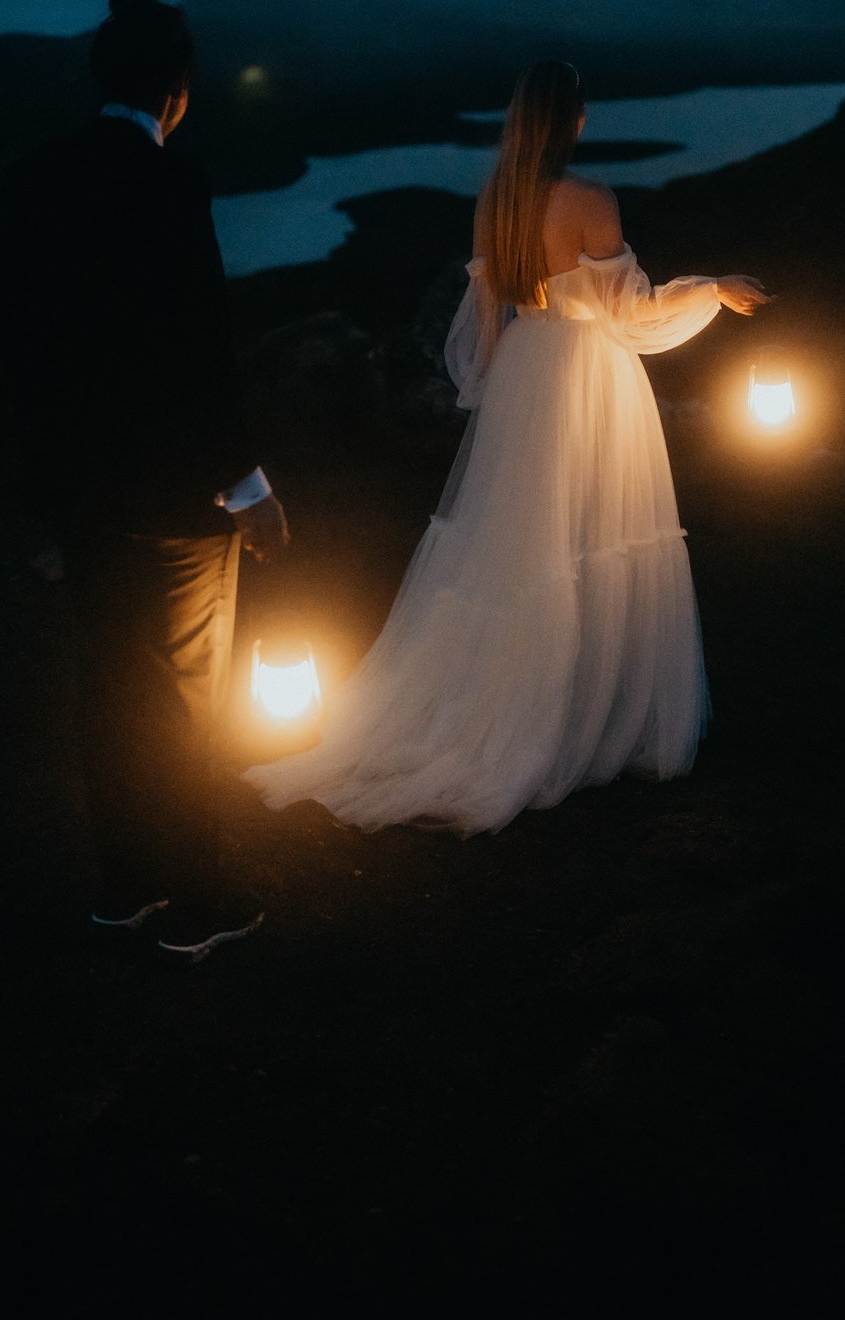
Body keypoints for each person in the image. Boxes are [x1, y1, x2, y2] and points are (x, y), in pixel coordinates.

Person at [246, 57, 771, 834]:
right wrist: (712, 288)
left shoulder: (495, 200)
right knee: (595, 536)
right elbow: (629, 316)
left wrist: (500, 406)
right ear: (574, 120)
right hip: (587, 377)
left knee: (519, 549)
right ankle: (579, 723)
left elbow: (487, 320)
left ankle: (524, 709)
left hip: (529, 373)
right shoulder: (592, 200)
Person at [0, 0, 289, 962]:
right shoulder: (172, 181)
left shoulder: (32, 178)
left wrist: (39, 476)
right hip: (172, 492)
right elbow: (199, 344)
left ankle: (125, 888)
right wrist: (248, 486)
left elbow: (20, 344)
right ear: (179, 84)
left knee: (108, 684)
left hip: (81, 490)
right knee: (188, 698)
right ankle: (201, 897)